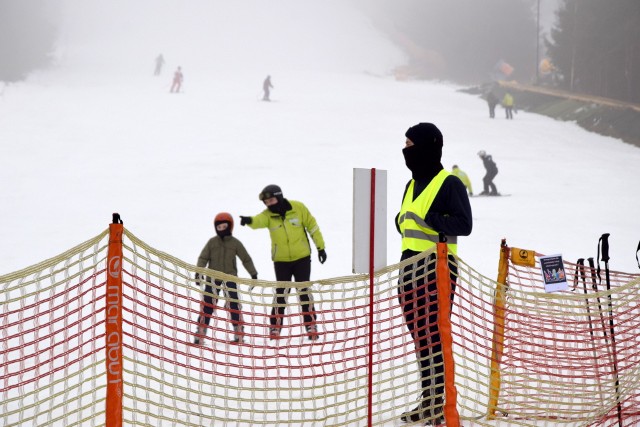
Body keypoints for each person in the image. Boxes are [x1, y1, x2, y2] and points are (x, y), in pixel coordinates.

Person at [396, 123, 472, 424]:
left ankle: (438, 405)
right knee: (419, 338)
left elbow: (464, 225)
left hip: (438, 269)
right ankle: (428, 401)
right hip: (408, 268)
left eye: (410, 143)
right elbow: (407, 224)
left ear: (427, 146)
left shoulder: (449, 183)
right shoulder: (410, 185)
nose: (405, 149)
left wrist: (433, 219)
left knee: (433, 337)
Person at [240, 184, 327, 341]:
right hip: (281, 261)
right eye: (266, 202)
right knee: (281, 293)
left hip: (302, 258)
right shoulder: (268, 215)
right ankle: (275, 327)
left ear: (279, 197)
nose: (269, 204)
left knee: (304, 291)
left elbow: (312, 227)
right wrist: (249, 220)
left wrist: (321, 248)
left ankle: (311, 325)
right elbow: (258, 221)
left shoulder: (298, 208)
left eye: (272, 200)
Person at [194, 212, 258, 344]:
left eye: (224, 227)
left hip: (230, 278)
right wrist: (198, 272)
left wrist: (253, 274)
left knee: (233, 304)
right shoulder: (212, 242)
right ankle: (200, 332)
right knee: (208, 305)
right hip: (213, 278)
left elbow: (245, 259)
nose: (222, 230)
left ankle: (238, 331)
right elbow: (203, 258)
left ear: (230, 227)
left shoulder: (235, 243)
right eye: (219, 227)